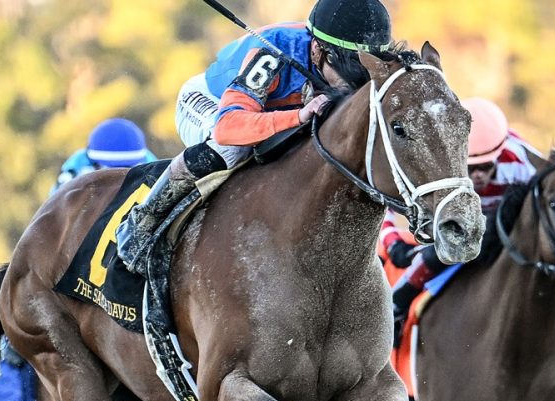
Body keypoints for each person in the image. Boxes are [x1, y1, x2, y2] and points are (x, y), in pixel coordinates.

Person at [114, 0, 394, 274]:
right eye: (345, 66)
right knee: (235, 149)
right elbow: (228, 127)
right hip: (211, 103)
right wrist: (297, 117)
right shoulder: (274, 53)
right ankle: (142, 221)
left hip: (270, 109)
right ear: (318, 50)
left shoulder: (346, 54)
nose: (353, 81)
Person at [386, 97, 541, 344]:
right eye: (470, 168)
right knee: (443, 247)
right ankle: (396, 304)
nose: (479, 176)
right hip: (455, 230)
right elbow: (386, 204)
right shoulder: (436, 160)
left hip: (505, 228)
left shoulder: (522, 162)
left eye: (488, 166)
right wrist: (392, 241)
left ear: (500, 154)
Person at [50, 117, 157, 196]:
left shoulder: (151, 165)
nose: (120, 174)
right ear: (93, 162)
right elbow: (55, 205)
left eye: (128, 166)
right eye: (110, 168)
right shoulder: (77, 167)